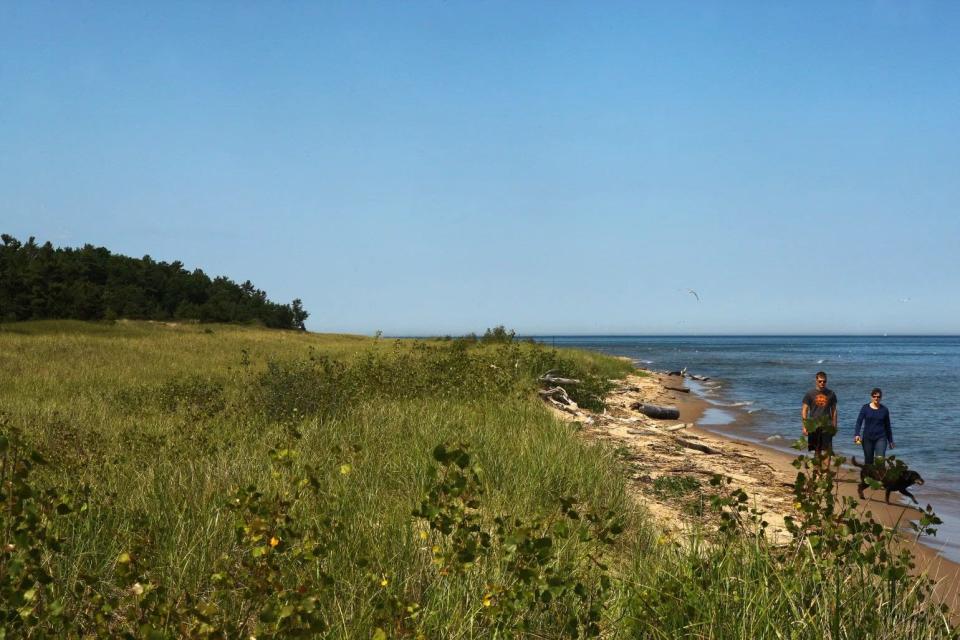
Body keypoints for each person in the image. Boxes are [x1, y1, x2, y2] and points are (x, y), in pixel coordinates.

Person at [854, 387, 894, 465]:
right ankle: (869, 477)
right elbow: (859, 422)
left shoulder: (884, 410)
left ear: (881, 398)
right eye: (874, 396)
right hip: (867, 438)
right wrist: (857, 434)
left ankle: (879, 477)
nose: (876, 398)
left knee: (880, 461)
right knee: (869, 462)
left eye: (878, 397)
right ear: (871, 397)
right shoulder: (865, 408)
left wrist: (890, 441)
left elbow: (888, 426)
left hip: (881, 438)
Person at [801, 371, 838, 457]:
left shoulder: (831, 394)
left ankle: (825, 471)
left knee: (828, 451)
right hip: (813, 425)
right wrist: (805, 426)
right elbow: (804, 410)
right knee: (817, 451)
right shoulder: (809, 394)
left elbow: (834, 411)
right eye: (820, 381)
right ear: (816, 381)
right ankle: (816, 470)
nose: (822, 383)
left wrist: (834, 426)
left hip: (827, 426)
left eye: (824, 381)